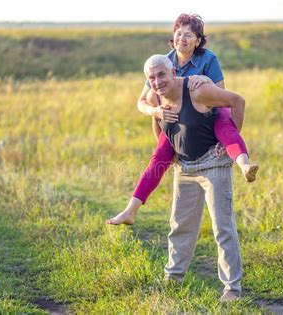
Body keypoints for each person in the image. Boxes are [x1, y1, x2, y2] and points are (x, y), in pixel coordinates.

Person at [107, 13, 257, 226]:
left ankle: (244, 164)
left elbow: (221, 98)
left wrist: (205, 80)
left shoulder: (208, 59)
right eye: (178, 34)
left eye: (189, 35)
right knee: (158, 157)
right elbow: (143, 101)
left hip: (207, 113)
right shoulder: (162, 63)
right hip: (177, 119)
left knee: (225, 126)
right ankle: (131, 210)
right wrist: (156, 112)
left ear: (198, 40)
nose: (182, 38)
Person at [144, 54, 244, 301]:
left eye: (161, 75)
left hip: (213, 162)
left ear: (173, 73)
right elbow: (155, 122)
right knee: (180, 224)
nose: (157, 81)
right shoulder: (155, 96)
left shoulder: (198, 90)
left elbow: (237, 100)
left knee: (223, 226)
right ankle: (173, 278)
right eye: (151, 77)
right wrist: (168, 141)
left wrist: (230, 136)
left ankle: (232, 288)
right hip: (185, 167)